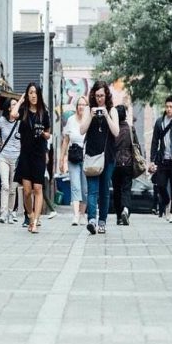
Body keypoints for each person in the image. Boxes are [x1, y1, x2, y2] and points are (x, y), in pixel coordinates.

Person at [80, 81, 120, 235]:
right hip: (91, 156)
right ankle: (91, 220)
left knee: (104, 191)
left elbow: (116, 132)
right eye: (97, 96)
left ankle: (102, 221)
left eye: (102, 96)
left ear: (107, 95)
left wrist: (106, 115)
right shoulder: (88, 110)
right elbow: (82, 130)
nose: (99, 99)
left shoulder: (112, 111)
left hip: (108, 157)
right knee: (92, 190)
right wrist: (90, 116)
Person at [14, 82, 52, 233]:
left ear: (39, 95)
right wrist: (20, 100)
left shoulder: (44, 113)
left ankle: (35, 222)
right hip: (25, 154)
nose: (33, 95)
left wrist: (43, 134)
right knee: (27, 191)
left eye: (35, 92)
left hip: (39, 154)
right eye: (30, 92)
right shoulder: (23, 111)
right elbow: (12, 114)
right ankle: (30, 215)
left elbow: (49, 133)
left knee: (38, 188)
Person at [148, 95, 172, 223]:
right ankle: (167, 201)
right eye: (166, 107)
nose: (168, 109)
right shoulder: (159, 122)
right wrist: (152, 159)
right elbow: (154, 141)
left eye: (171, 107)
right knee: (160, 185)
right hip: (162, 159)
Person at [60, 96, 88, 226]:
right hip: (73, 157)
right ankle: (76, 215)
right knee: (75, 186)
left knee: (85, 188)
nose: (81, 107)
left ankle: (83, 214)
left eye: (84, 104)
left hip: (87, 158)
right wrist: (62, 159)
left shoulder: (89, 120)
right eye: (79, 104)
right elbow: (65, 140)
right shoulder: (71, 120)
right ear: (76, 106)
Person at [0, 98, 21, 224]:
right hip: (3, 157)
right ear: (9, 108)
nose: (16, 106)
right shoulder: (2, 121)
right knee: (5, 185)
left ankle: (10, 212)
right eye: (14, 105)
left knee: (12, 188)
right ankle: (3, 213)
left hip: (16, 158)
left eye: (17, 104)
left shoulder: (21, 122)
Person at [112, 105, 137, 226]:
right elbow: (136, 146)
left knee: (117, 190)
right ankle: (126, 209)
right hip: (128, 163)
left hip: (115, 164)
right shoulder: (130, 129)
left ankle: (118, 217)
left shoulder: (113, 129)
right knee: (126, 188)